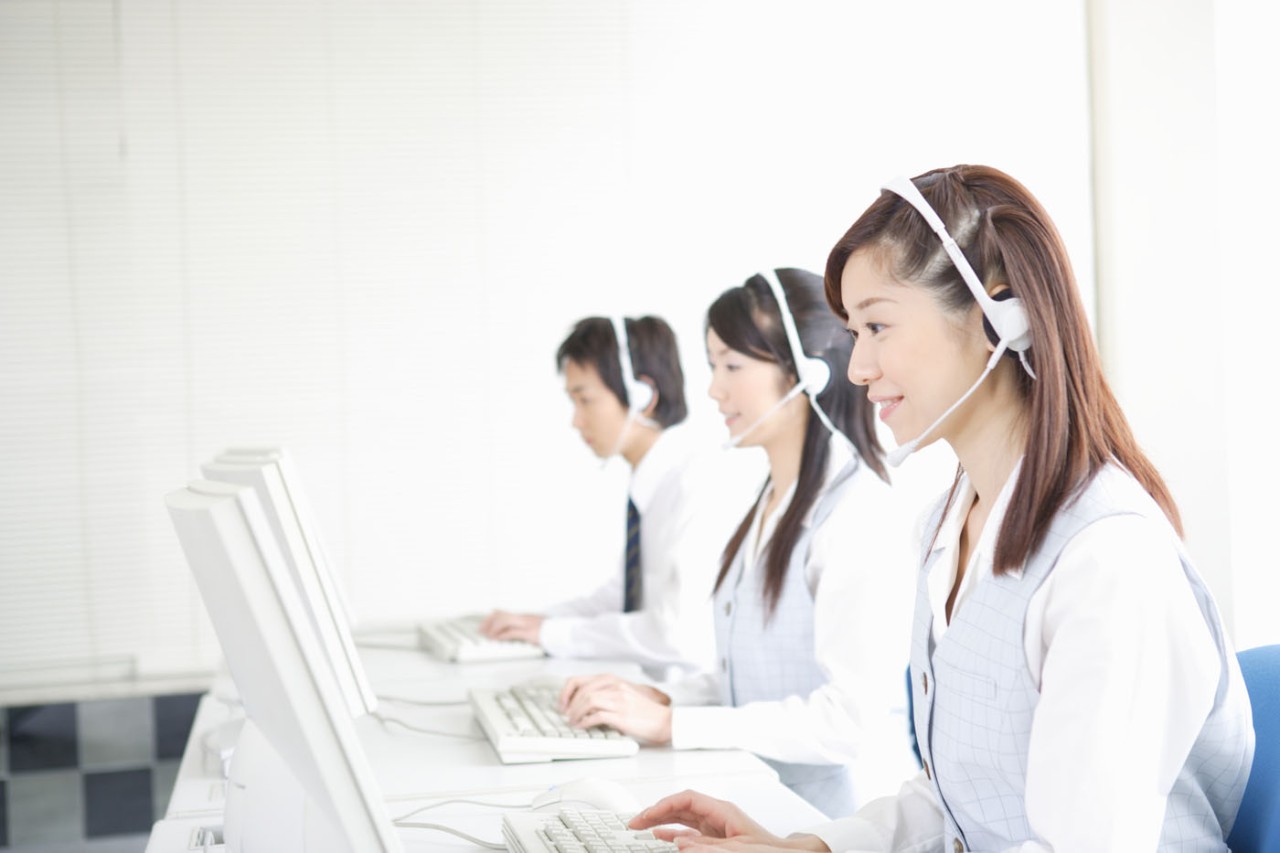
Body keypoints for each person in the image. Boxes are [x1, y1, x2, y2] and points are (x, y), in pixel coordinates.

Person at [624, 165, 1255, 851]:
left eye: (877, 326)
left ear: (997, 316)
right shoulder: (946, 525)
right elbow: (956, 799)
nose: (857, 367)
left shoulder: (1107, 560)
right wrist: (811, 846)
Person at [558, 269, 920, 819]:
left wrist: (673, 723)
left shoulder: (854, 514)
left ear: (809, 375)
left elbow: (848, 721)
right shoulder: (771, 498)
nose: (712, 389)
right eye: (712, 365)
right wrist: (661, 698)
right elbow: (751, 677)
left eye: (732, 365)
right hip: (764, 804)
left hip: (832, 823)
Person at [480, 315, 753, 681]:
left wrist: (552, 634)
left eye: (585, 400)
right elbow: (627, 594)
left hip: (692, 703)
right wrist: (541, 622)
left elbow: (675, 633)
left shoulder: (697, 486)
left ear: (643, 397)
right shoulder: (654, 483)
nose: (576, 421)